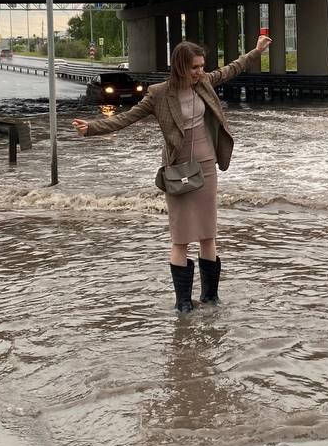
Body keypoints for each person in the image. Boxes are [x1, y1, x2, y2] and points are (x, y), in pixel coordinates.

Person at [73, 33, 273, 313]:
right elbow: (125, 118)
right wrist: (92, 127)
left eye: (202, 66)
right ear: (180, 66)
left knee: (207, 234)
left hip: (206, 167)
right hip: (178, 172)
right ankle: (182, 303)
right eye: (194, 67)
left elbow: (233, 68)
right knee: (181, 237)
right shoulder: (159, 94)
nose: (200, 72)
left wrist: (256, 51)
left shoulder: (204, 83)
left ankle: (210, 298)